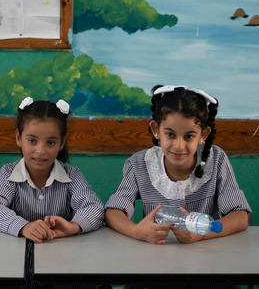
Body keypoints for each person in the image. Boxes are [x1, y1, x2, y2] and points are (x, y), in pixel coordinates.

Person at [105, 85, 250, 244]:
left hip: (206, 258)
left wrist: (201, 234)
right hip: (155, 257)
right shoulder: (140, 164)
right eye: (170, 134)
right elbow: (113, 211)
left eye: (188, 136)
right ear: (156, 130)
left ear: (203, 135)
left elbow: (240, 216)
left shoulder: (216, 160)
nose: (179, 146)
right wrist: (136, 231)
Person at [0, 97, 104, 242]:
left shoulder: (72, 175)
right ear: (18, 138)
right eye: (32, 141)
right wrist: (23, 227)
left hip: (62, 254)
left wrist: (73, 226)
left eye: (50, 142)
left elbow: (95, 207)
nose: (40, 150)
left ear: (61, 143)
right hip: (15, 255)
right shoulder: (7, 174)